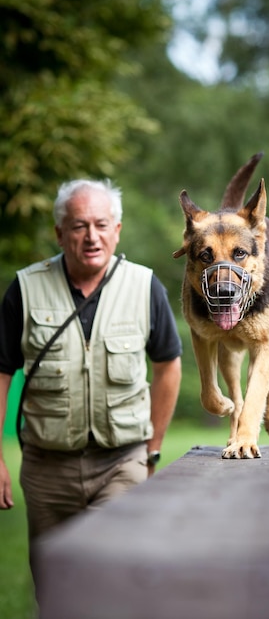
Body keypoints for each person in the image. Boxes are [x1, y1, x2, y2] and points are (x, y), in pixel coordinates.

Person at [0, 178, 182, 586]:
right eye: (79, 226)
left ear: (117, 230)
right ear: (60, 233)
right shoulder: (25, 289)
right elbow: (2, 371)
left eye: (101, 224)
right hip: (47, 470)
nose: (91, 236)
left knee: (110, 581)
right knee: (56, 589)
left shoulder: (144, 286)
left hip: (121, 463)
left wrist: (151, 452)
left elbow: (168, 366)